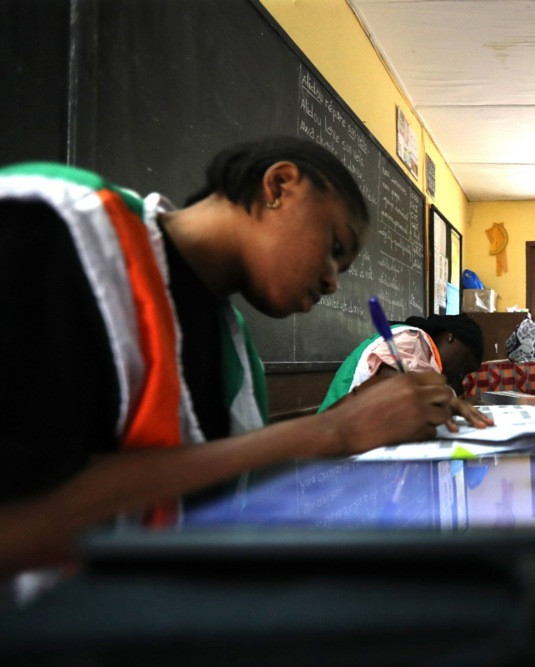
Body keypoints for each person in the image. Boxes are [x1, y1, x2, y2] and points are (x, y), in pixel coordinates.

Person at [0, 137, 459, 577]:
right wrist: (330, 430)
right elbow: (22, 520)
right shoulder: (57, 225)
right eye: (334, 248)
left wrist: (358, 417)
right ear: (279, 186)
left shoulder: (234, 353)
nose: (332, 282)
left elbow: (216, 477)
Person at [317, 314, 492, 428]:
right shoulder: (409, 339)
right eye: (466, 364)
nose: (461, 373)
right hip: (328, 442)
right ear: (451, 337)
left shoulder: (426, 355)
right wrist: (444, 401)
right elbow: (394, 387)